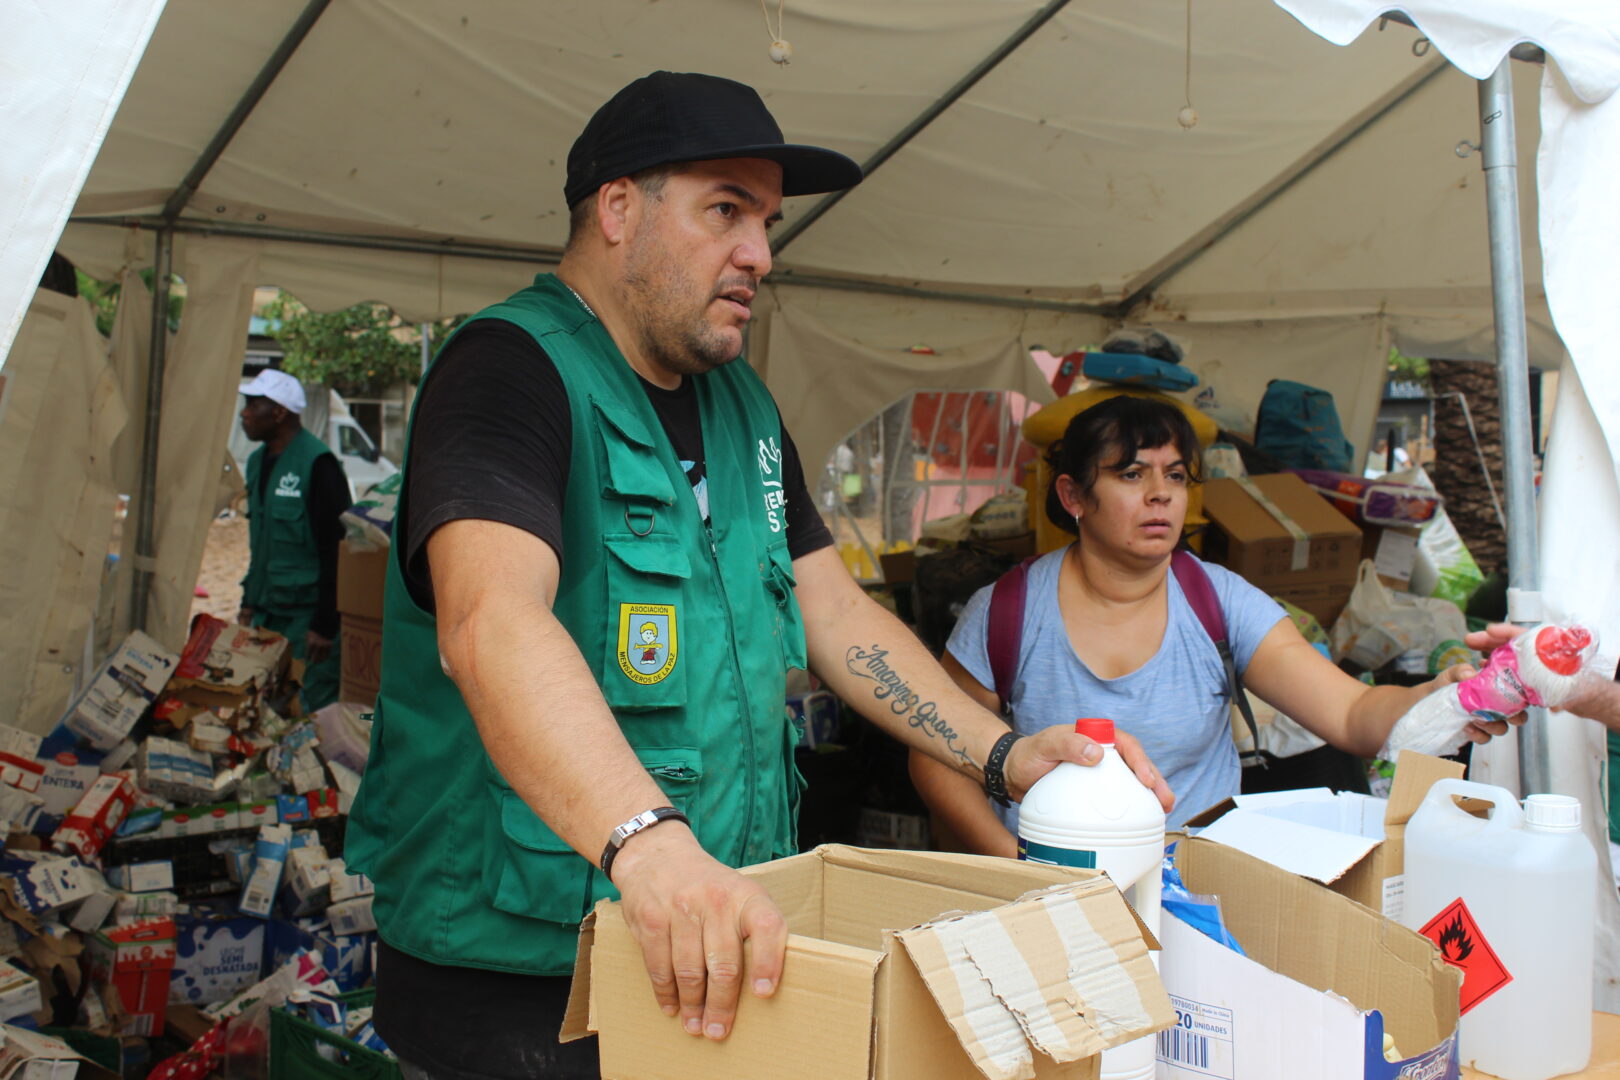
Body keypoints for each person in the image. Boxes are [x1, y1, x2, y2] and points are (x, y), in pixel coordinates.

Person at [342, 71, 1168, 1080]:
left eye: (768, 221)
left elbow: (829, 608)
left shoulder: (738, 405)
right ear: (617, 208)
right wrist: (649, 847)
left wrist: (1002, 757)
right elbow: (491, 622)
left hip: (712, 943)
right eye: (724, 211)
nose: (760, 255)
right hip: (522, 978)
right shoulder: (509, 370)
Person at [910, 395, 1514, 850]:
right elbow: (936, 753)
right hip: (1049, 888)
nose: (1161, 494)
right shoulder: (1008, 611)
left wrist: (1437, 701)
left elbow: (1352, 715)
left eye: (1175, 475)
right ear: (1072, 496)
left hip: (1195, 891)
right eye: (1131, 474)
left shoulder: (1218, 602)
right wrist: (1012, 863)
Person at [236, 368, 348, 711]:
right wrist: (249, 601)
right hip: (268, 617)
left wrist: (324, 625)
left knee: (308, 713)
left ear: (279, 412)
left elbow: (337, 550)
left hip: (307, 623)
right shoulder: (257, 462)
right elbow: (262, 541)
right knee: (265, 708)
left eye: (253, 405)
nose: (244, 413)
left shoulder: (318, 465)